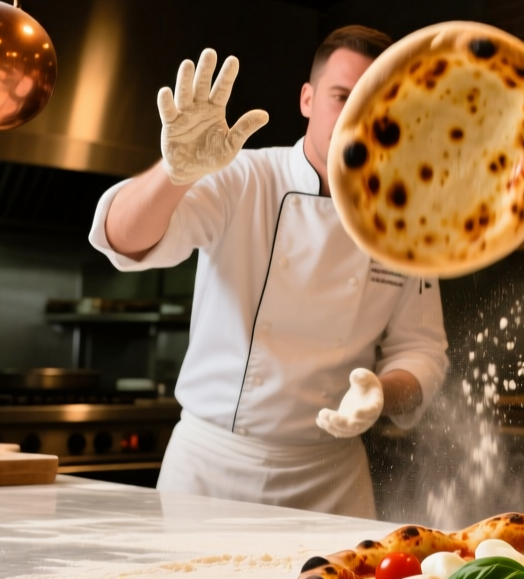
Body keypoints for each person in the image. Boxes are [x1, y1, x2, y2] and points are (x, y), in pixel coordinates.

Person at [89, 26, 448, 516]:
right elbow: (123, 239)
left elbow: (422, 349)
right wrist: (176, 175)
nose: (359, 117)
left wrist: (381, 394)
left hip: (331, 480)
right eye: (342, 97)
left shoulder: (406, 219)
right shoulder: (245, 177)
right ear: (307, 98)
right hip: (209, 473)